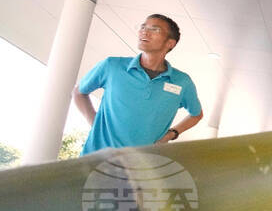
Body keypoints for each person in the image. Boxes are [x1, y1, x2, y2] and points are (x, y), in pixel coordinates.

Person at [73, 14, 202, 155]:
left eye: (155, 29)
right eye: (143, 27)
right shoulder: (112, 66)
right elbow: (79, 92)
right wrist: (94, 122)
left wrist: (172, 134)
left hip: (141, 168)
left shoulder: (182, 82)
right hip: (94, 159)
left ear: (170, 43)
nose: (144, 32)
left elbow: (196, 115)